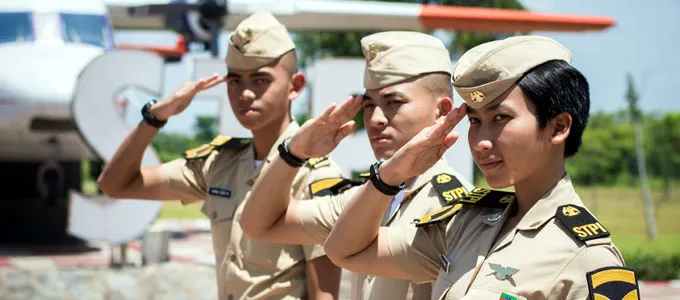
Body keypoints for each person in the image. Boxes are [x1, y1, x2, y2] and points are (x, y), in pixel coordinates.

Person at [323, 35, 638, 300]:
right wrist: (391, 175)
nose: (481, 141)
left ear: (558, 127)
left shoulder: (586, 255)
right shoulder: (464, 225)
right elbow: (344, 251)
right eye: (475, 121)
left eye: (500, 118)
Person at [97, 11, 344, 300]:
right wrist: (155, 117)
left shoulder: (316, 176)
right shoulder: (219, 163)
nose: (246, 93)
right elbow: (115, 184)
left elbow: (324, 295)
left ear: (296, 86)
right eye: (235, 81)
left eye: (261, 80)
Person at [239, 31, 473, 300]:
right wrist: (295, 151)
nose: (375, 119)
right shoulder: (363, 199)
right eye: (369, 105)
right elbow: (260, 224)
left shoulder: (455, 210)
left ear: (442, 111)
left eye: (393, 102)